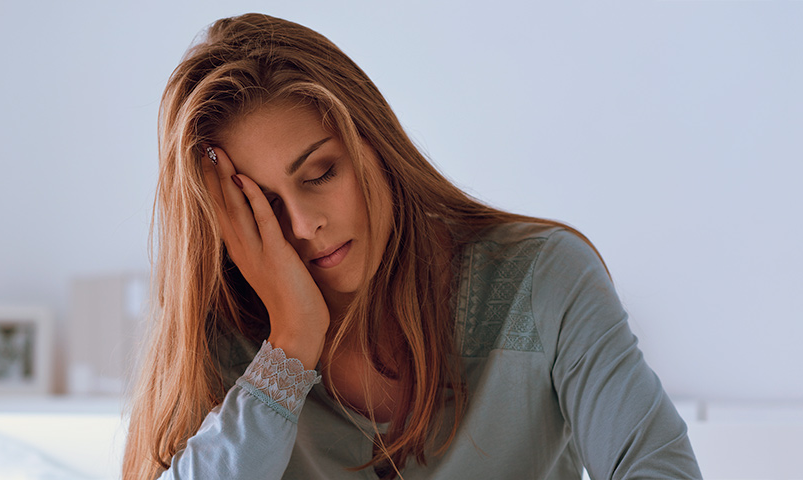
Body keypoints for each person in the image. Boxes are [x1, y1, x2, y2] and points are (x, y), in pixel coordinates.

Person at [123, 13, 701, 480]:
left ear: (375, 144)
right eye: (264, 208)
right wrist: (290, 349)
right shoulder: (228, 351)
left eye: (321, 172)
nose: (302, 225)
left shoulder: (544, 281)